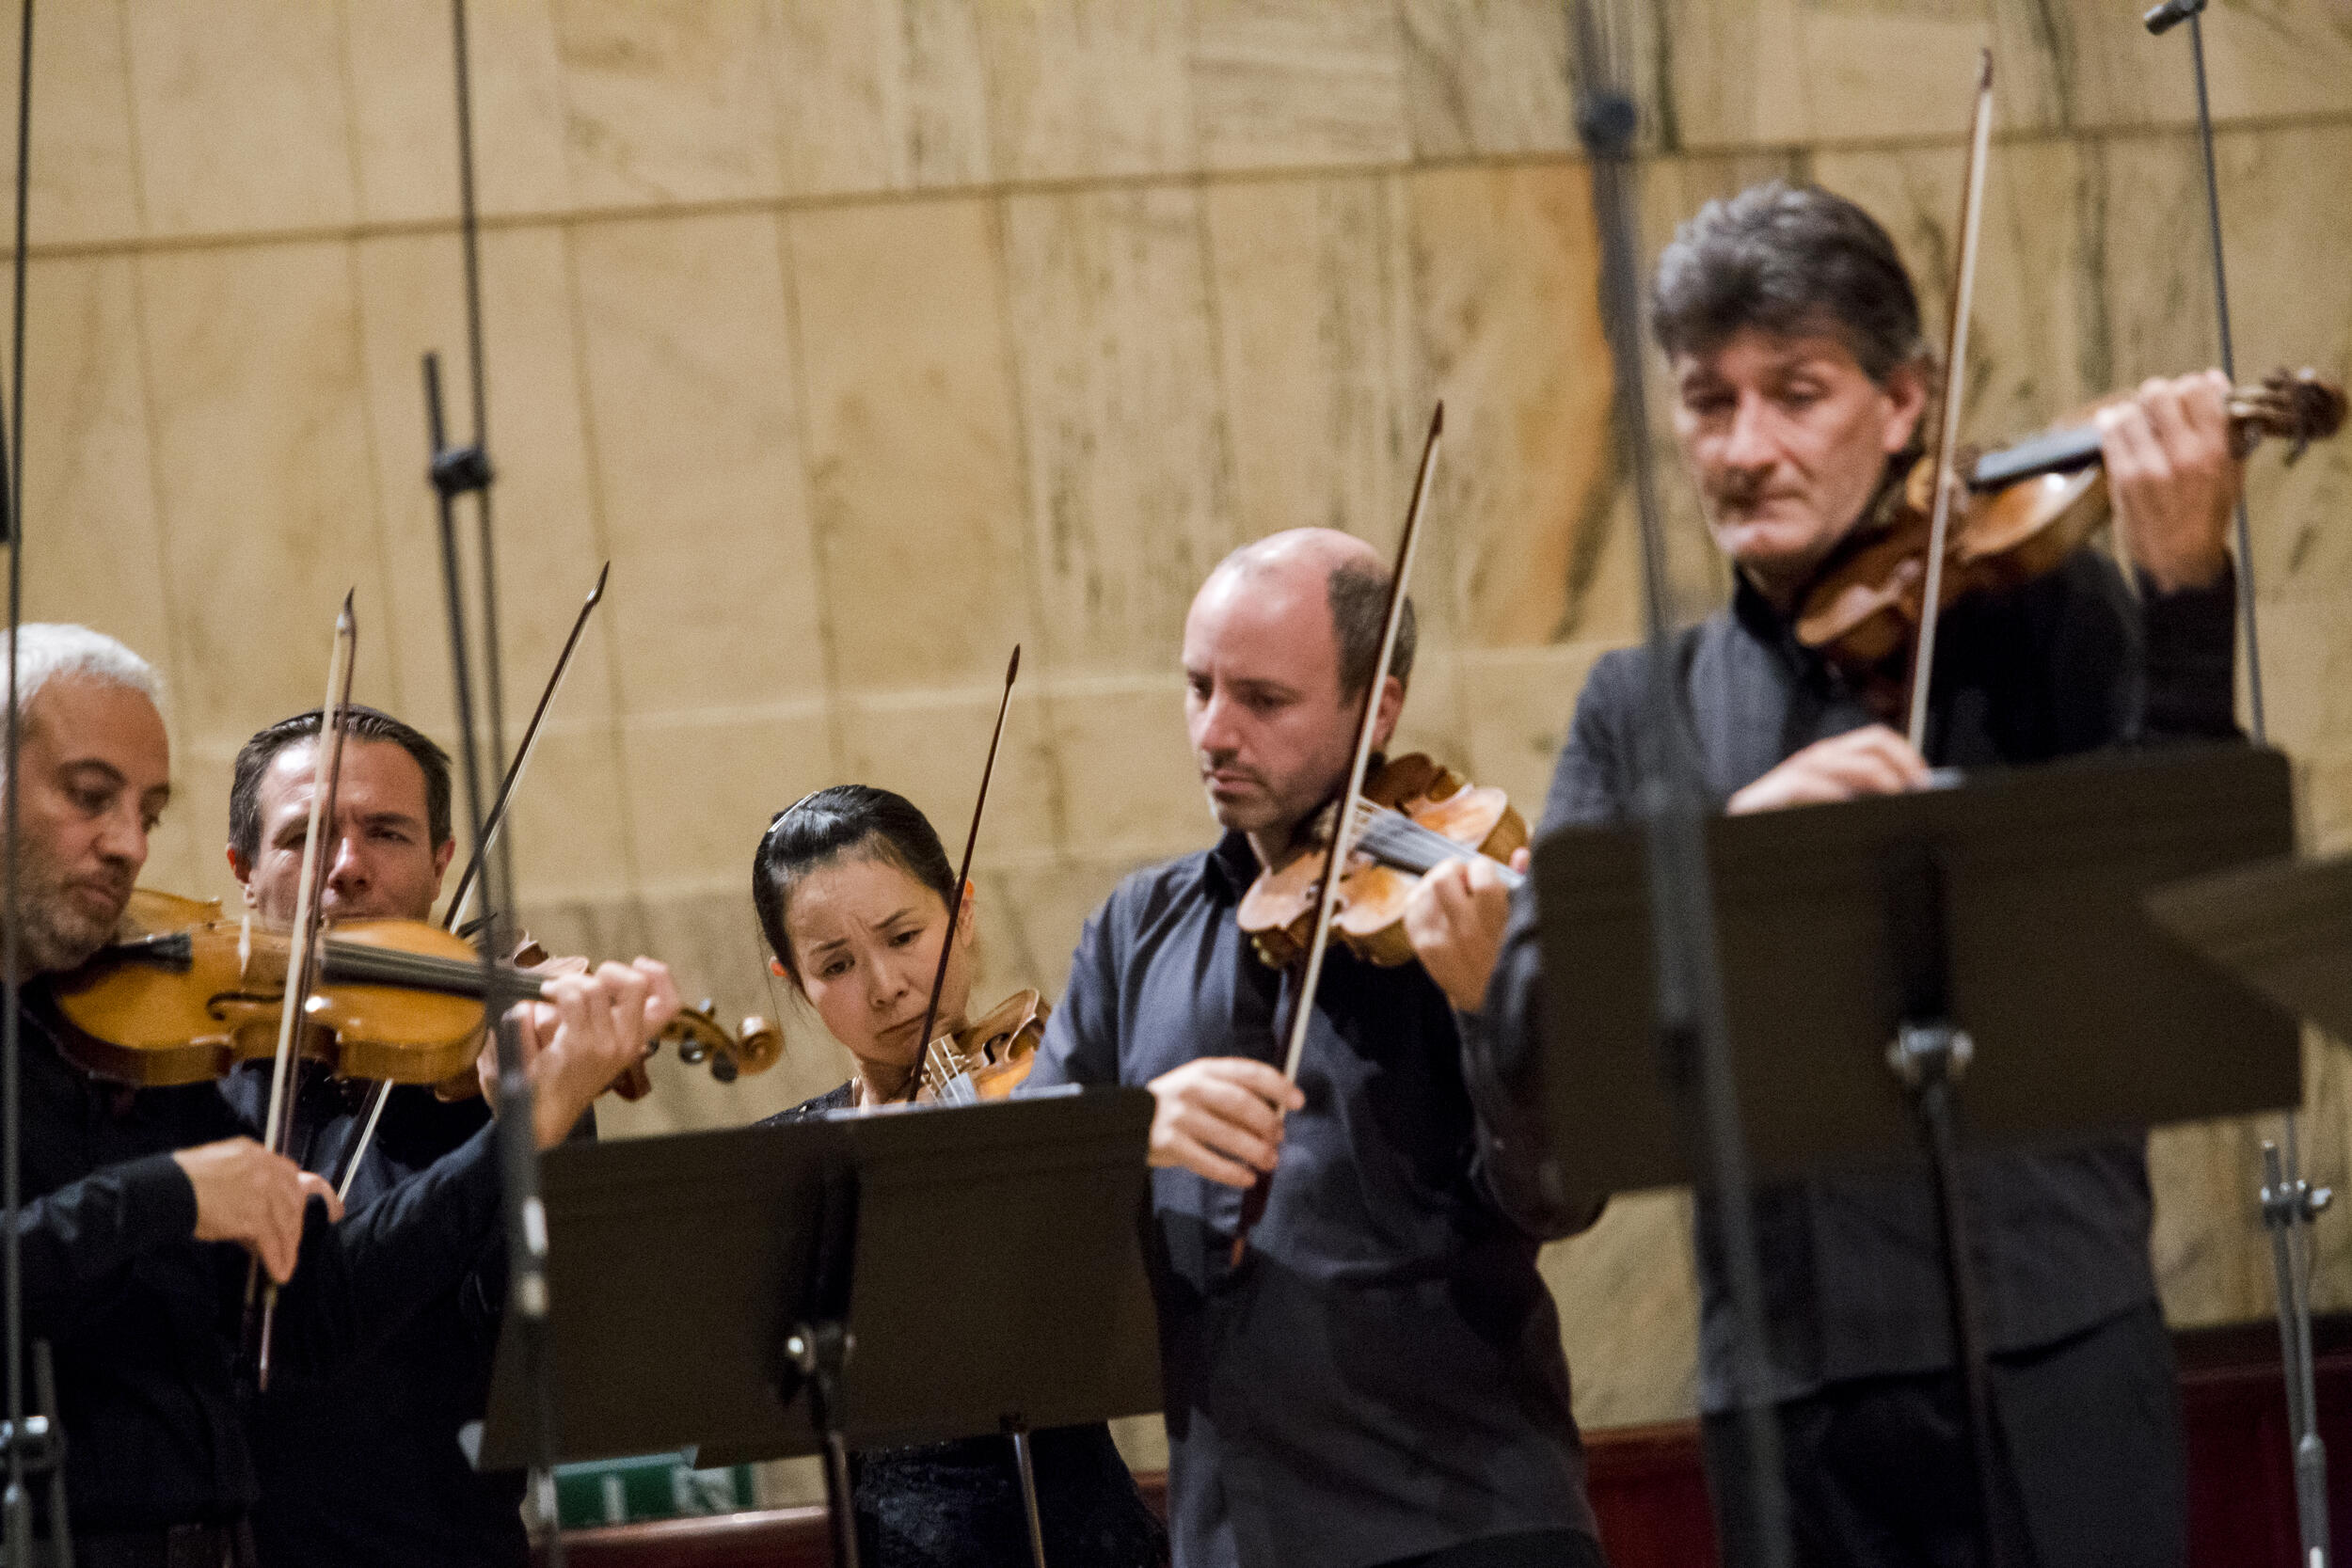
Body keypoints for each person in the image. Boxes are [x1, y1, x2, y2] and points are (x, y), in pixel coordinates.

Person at [1403, 182, 2245, 1567]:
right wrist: (1741, 852)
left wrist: (2186, 595)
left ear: (1903, 402)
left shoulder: (2039, 614)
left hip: (2051, 1340)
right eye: (1709, 401)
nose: (1746, 446)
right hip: (1784, 1387)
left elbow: (2192, 919)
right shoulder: (1642, 706)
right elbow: (1546, 1052)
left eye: (1797, 393)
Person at [4, 623, 677, 1565]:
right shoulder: (160, 1053)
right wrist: (171, 1194)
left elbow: (315, 1319)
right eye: (89, 796)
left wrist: (520, 1132)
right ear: (242, 871)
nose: (127, 845)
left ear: (442, 859)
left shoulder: (140, 1057)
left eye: (147, 812)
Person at [1023, 531, 1607, 1568]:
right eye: (1198, 687)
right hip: (1238, 1531)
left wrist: (1494, 1008)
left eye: (1263, 699)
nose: (1215, 730)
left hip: (1468, 1519)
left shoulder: (1457, 906)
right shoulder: (1134, 929)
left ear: (1377, 707)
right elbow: (1017, 1187)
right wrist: (1133, 1128)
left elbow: (1560, 1195)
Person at [750, 784, 1168, 1568]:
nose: (885, 985)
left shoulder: (1052, 1089)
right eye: (836, 964)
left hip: (1094, 1539)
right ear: (794, 979)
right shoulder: (788, 1166)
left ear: (963, 912)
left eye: (905, 935)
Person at [219, 705, 527, 1566]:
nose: (347, 867)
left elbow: (543, 1345)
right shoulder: (185, 1083)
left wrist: (543, 1118)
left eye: (386, 833)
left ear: (442, 863)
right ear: (245, 869)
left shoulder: (488, 1082)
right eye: (304, 836)